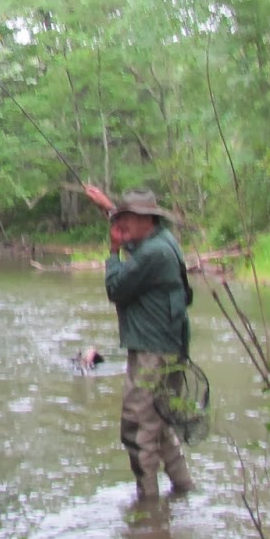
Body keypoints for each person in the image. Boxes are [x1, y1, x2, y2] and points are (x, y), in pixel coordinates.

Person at [83, 185, 195, 499]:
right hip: (171, 346)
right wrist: (107, 207)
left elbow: (116, 288)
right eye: (120, 217)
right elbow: (132, 240)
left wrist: (112, 252)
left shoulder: (152, 254)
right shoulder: (161, 240)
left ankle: (148, 506)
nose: (121, 223)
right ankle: (184, 490)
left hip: (152, 353)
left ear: (147, 219)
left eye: (127, 217)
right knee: (160, 425)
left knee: (136, 429)